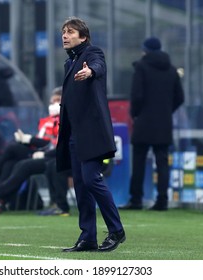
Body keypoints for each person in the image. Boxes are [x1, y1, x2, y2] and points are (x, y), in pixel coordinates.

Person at [56, 17, 125, 253]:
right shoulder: (69, 63)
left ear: (83, 37)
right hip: (74, 133)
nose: (65, 35)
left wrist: (91, 71)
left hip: (92, 132)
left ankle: (116, 230)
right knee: (81, 185)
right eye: (63, 32)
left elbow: (99, 66)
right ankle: (88, 237)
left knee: (91, 179)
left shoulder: (92, 53)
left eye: (70, 32)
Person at [119, 37, 184, 211]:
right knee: (162, 161)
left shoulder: (141, 67)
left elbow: (137, 95)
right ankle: (162, 200)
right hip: (164, 122)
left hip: (144, 121)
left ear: (145, 50)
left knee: (139, 160)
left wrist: (136, 114)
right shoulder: (171, 70)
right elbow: (180, 97)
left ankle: (136, 200)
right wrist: (166, 111)